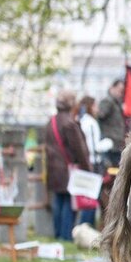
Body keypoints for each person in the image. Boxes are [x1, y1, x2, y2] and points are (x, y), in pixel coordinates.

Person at [46, 90, 92, 241]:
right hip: (67, 169)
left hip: (53, 168)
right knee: (68, 203)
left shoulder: (51, 121)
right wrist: (87, 169)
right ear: (71, 104)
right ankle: (66, 235)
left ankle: (58, 233)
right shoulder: (69, 123)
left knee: (58, 200)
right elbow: (79, 149)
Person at [76, 96, 105, 227]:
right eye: (95, 106)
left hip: (83, 161)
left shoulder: (80, 120)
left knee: (86, 195)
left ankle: (84, 225)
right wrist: (108, 143)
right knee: (91, 197)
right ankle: (87, 225)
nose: (97, 109)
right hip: (93, 162)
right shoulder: (91, 123)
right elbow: (94, 146)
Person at [94, 78, 126, 170]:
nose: (121, 93)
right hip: (110, 144)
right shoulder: (108, 101)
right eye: (119, 90)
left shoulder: (116, 103)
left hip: (115, 144)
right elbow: (100, 115)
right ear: (112, 88)